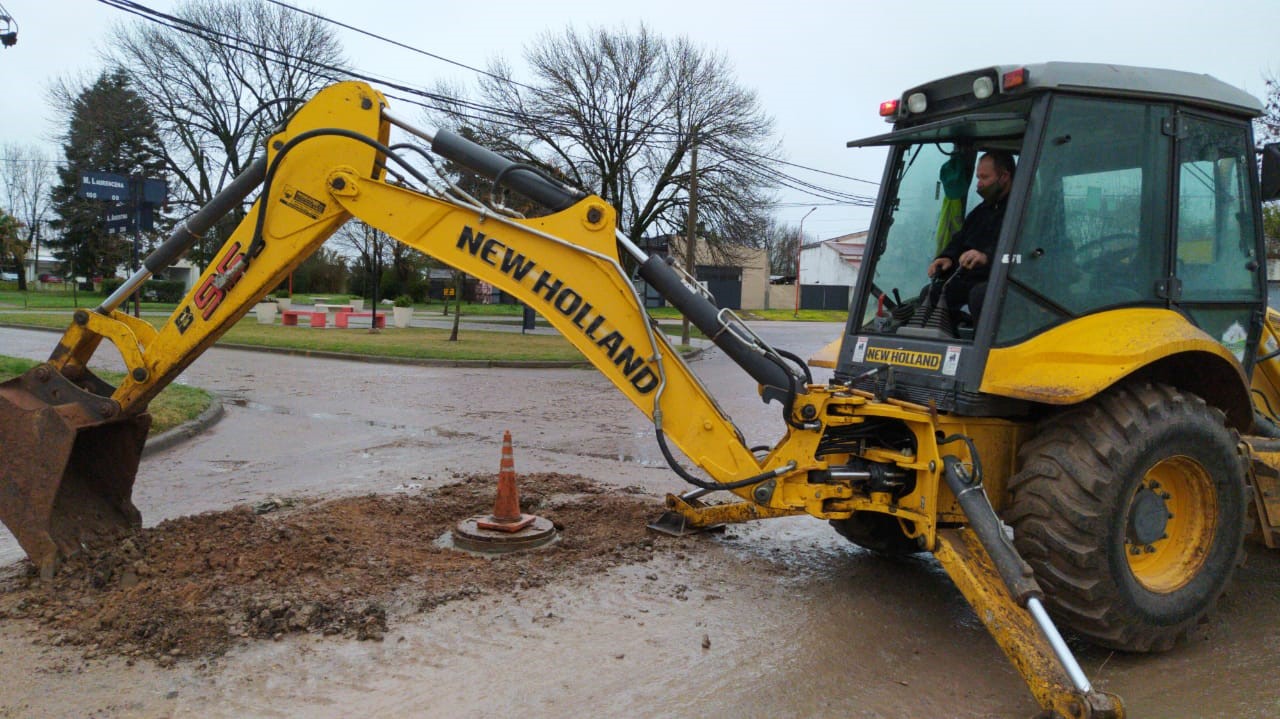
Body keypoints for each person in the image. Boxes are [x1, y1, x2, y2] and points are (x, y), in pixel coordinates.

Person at [925, 150, 1015, 324]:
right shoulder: (981, 212)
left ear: (1004, 177)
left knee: (981, 296)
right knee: (932, 293)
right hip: (971, 279)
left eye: (984, 177)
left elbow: (1019, 256)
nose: (979, 184)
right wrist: (947, 257)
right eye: (978, 178)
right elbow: (960, 238)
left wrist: (987, 256)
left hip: (1007, 280)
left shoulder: (1024, 211)